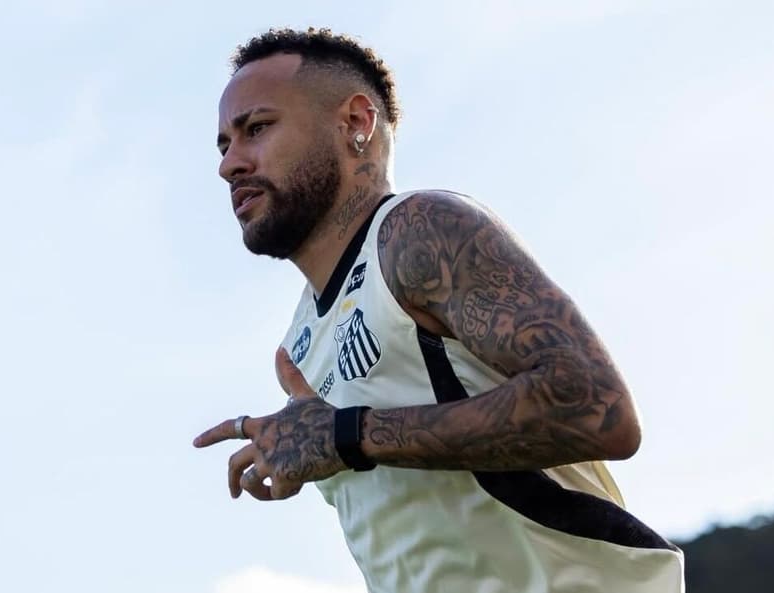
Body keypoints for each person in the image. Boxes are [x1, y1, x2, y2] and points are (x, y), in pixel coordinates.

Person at [194, 27, 685, 593]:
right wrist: (304, 453)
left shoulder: (416, 232)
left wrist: (346, 437)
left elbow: (598, 409)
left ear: (356, 122)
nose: (230, 164)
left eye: (256, 129)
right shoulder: (300, 342)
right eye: (224, 144)